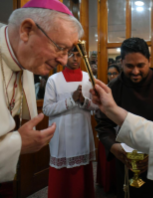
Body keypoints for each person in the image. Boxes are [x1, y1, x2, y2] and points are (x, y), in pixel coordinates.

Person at [0, 0, 83, 196]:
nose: (64, 60)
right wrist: (18, 144)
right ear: (26, 30)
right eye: (60, 48)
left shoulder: (23, 59)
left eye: (68, 51)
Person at [95, 37, 153, 198]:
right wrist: (114, 148)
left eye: (140, 65)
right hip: (126, 157)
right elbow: (103, 126)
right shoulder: (114, 87)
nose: (135, 71)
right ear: (121, 62)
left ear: (149, 61)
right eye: (129, 66)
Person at [43, 48, 97, 198]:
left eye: (78, 55)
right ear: (63, 57)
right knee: (62, 178)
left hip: (82, 131)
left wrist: (83, 101)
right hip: (62, 135)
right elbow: (47, 109)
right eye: (71, 55)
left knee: (82, 173)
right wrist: (71, 101)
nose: (75, 58)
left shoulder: (88, 78)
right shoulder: (54, 79)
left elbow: (97, 106)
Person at [96, 64, 121, 194]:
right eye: (109, 73)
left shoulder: (122, 89)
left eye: (114, 73)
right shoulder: (105, 89)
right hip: (107, 127)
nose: (111, 76)